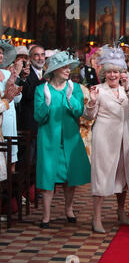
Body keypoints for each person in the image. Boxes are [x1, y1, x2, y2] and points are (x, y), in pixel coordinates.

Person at [84, 44, 129, 233]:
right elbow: (90, 116)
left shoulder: (126, 89)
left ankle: (121, 211)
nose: (113, 75)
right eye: (110, 72)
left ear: (121, 73)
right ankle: (96, 217)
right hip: (104, 137)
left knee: (122, 174)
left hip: (125, 135)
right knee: (102, 175)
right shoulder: (98, 90)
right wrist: (91, 101)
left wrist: (128, 88)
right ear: (104, 73)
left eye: (116, 71)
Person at [34, 50, 91, 228]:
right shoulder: (41, 89)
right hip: (49, 139)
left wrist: (71, 100)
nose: (68, 70)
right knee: (48, 175)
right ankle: (46, 215)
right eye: (64, 67)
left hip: (70, 138)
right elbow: (38, 117)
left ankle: (69, 209)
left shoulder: (74, 88)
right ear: (55, 69)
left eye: (69, 67)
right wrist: (47, 103)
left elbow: (79, 112)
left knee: (69, 175)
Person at [0, 40, 22, 181]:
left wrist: (15, 91)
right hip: (2, 114)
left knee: (11, 157)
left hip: (9, 118)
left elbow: (17, 99)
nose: (0, 56)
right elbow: (6, 97)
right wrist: (6, 96)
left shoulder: (6, 73)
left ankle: (10, 193)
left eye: (1, 53)